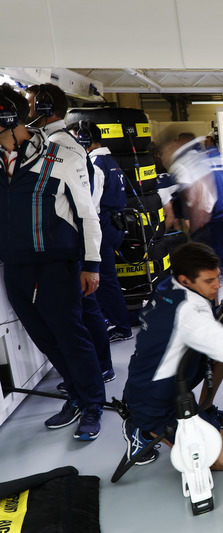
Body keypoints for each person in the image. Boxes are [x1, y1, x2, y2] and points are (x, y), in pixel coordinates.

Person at [121, 242, 223, 468]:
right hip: (153, 403)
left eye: (217, 277)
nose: (217, 285)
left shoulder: (169, 284)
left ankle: (205, 409)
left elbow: (220, 341)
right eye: (209, 281)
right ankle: (141, 428)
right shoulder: (188, 311)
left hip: (168, 376)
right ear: (185, 280)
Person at [0, 84, 105, 441]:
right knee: (45, 339)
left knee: (70, 336)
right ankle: (75, 394)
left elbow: (88, 215)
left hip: (57, 265)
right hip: (16, 266)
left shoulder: (62, 157)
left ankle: (93, 403)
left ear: (8, 119)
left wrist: (92, 264)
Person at [28, 84, 117, 391]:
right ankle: (95, 369)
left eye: (30, 105)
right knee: (82, 310)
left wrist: (89, 257)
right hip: (68, 243)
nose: (26, 112)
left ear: (43, 108)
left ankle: (100, 370)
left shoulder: (60, 145)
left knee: (84, 311)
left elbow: (83, 205)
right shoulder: (50, 142)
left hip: (73, 243)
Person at [163, 133, 223, 311]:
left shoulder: (184, 163)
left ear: (177, 144)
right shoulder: (213, 155)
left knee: (208, 265)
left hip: (216, 217)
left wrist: (197, 231)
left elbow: (196, 195)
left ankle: (214, 309)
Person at [77, 121, 132, 345]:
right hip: (116, 224)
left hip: (103, 226)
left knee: (105, 280)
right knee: (107, 279)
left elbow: (91, 202)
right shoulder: (110, 160)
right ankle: (114, 320)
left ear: (86, 139)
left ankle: (122, 326)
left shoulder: (96, 164)